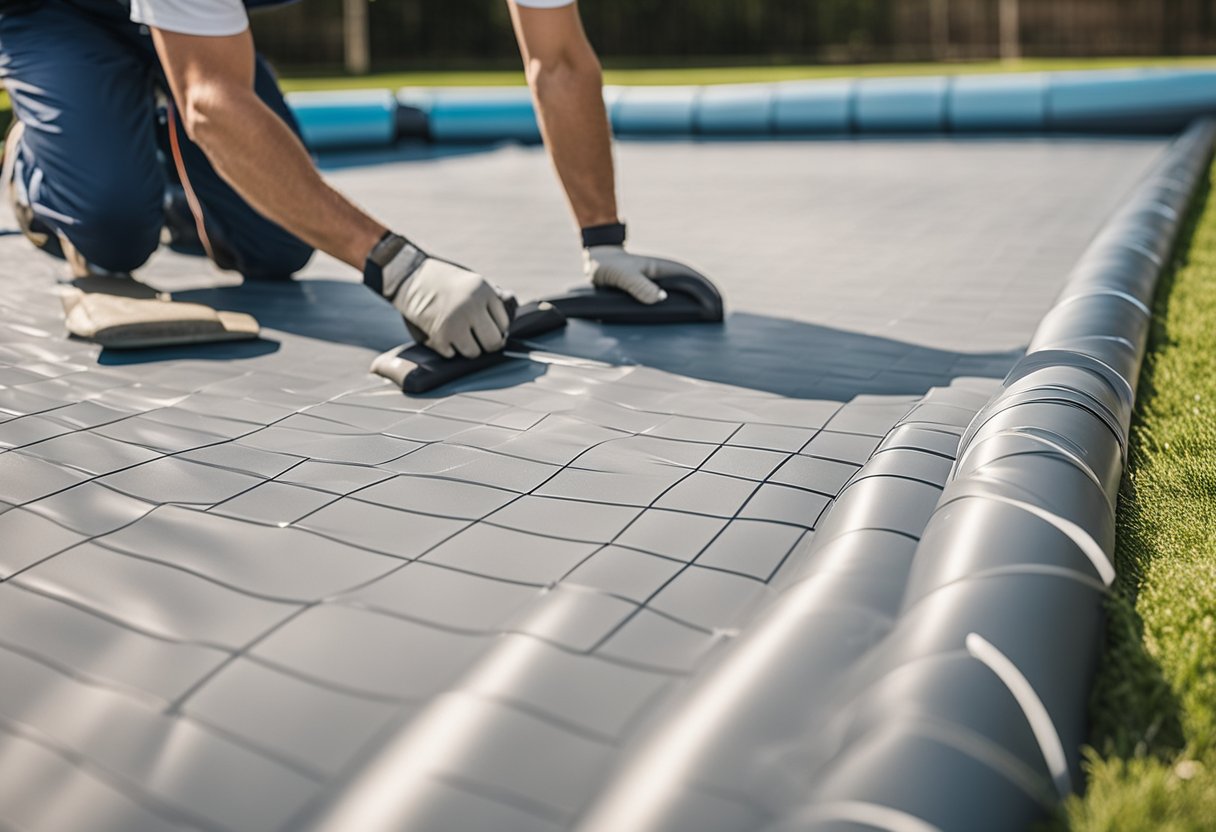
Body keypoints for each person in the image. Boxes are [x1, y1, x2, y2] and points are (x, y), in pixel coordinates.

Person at [0, 0, 702, 359]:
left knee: (277, 251)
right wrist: (396, 266)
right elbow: (210, 101)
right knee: (112, 229)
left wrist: (603, 240)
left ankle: (139, 143)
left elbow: (560, 61)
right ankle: (40, 161)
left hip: (190, 31)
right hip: (60, 14)